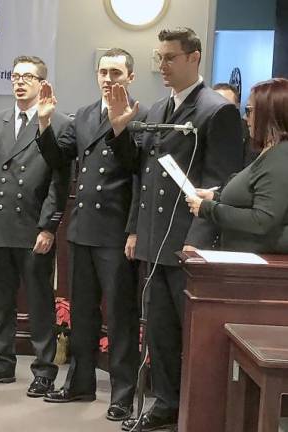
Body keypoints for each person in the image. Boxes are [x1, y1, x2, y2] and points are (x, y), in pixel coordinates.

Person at [105, 27, 243, 431]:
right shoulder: (154, 111)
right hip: (153, 239)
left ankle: (195, 409)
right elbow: (138, 174)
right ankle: (165, 402)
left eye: (170, 57)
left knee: (191, 337)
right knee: (159, 334)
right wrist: (118, 128)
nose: (161, 65)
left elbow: (222, 183)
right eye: (159, 57)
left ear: (194, 58)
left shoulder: (217, 111)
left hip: (186, 244)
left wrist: (195, 246)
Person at [36, 48, 146, 422]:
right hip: (82, 229)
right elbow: (58, 159)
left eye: (116, 72)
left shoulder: (141, 114)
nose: (108, 78)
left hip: (116, 231)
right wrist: (45, 124)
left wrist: (133, 230)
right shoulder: (83, 114)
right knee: (81, 313)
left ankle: (122, 394)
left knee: (120, 317)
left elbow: (138, 175)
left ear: (130, 77)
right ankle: (79, 383)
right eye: (103, 71)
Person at [0, 55, 71, 397]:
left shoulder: (58, 122)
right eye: (15, 76)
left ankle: (43, 370)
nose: (20, 82)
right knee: (2, 302)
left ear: (43, 83)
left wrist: (48, 227)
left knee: (40, 303)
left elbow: (59, 181)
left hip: (31, 228)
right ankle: (2, 364)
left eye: (28, 77)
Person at [187, 78, 288, 253]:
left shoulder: (281, 156)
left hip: (261, 266)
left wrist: (208, 209)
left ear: (268, 114)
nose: (244, 117)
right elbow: (251, 199)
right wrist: (215, 197)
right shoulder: (270, 152)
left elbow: (262, 219)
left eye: (249, 111)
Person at [213, 82, 256, 166]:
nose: (221, 111)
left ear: (238, 107)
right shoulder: (196, 132)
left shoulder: (250, 134)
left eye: (227, 106)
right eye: (216, 105)